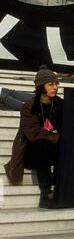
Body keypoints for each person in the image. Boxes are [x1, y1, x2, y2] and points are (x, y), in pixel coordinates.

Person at [4, 66, 63, 208]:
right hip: (32, 154)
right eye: (51, 84)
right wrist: (57, 137)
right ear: (41, 86)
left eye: (56, 84)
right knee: (42, 143)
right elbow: (33, 133)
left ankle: (63, 185)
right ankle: (45, 193)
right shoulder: (29, 107)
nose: (55, 87)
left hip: (53, 150)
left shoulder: (60, 104)